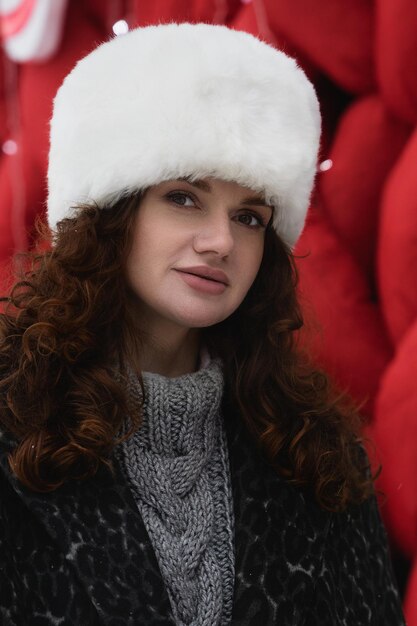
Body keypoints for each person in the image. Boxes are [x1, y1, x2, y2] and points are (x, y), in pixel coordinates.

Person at [0, 22, 405, 626]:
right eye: (185, 197)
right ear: (112, 208)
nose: (221, 242)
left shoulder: (311, 450)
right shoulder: (16, 415)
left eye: (249, 216)